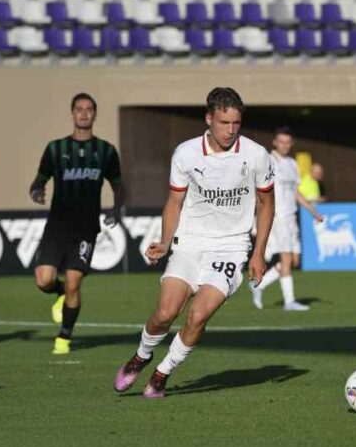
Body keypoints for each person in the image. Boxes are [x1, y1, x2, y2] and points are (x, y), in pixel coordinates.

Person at [113, 88, 275, 399]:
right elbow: (174, 202)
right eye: (224, 122)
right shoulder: (186, 153)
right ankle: (141, 357)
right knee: (165, 313)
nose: (230, 130)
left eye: (236, 123)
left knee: (198, 315)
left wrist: (258, 253)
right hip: (189, 243)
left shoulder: (256, 155)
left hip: (231, 247)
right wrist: (164, 241)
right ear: (209, 119)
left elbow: (267, 205)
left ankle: (162, 374)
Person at [29, 93, 125, 355]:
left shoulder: (105, 151)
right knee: (43, 280)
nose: (84, 113)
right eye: (79, 109)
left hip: (85, 228)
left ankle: (64, 337)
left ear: (95, 114)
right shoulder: (55, 149)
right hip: (57, 225)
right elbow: (39, 180)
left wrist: (117, 210)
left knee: (74, 282)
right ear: (72, 113)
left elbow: (118, 185)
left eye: (89, 109)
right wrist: (37, 191)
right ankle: (58, 292)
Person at [250, 127, 323, 312]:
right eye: (281, 142)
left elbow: (295, 192)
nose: (284, 145)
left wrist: (312, 211)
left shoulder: (292, 163)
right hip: (278, 216)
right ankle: (289, 301)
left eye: (288, 142)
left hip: (291, 216)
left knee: (293, 261)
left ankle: (259, 284)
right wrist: (257, 217)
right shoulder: (268, 161)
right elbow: (258, 190)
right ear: (275, 142)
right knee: (286, 258)